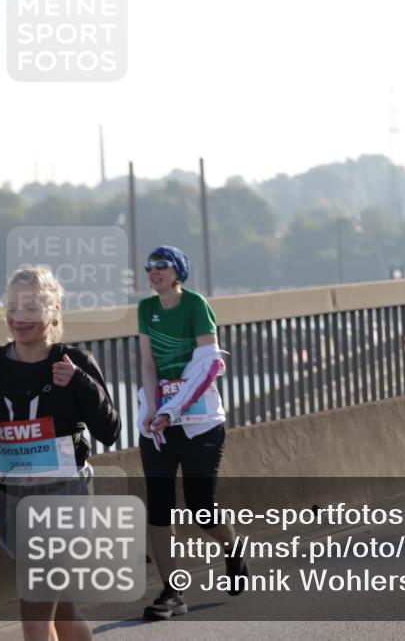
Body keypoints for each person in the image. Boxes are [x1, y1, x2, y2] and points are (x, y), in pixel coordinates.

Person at [0, 265, 121, 641]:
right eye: (12, 307)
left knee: (35, 610)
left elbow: (110, 432)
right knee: (63, 611)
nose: (18, 317)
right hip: (11, 498)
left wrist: (80, 383)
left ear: (55, 310)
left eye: (31, 307)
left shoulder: (74, 363)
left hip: (64, 496)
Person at [137, 245, 247, 621]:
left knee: (201, 508)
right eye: (149, 266)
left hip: (200, 422)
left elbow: (206, 367)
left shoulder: (196, 305)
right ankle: (172, 592)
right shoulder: (146, 309)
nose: (153, 271)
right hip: (161, 424)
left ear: (178, 272)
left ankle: (232, 547)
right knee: (159, 506)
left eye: (161, 265)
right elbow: (148, 364)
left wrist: (173, 408)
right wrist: (151, 408)